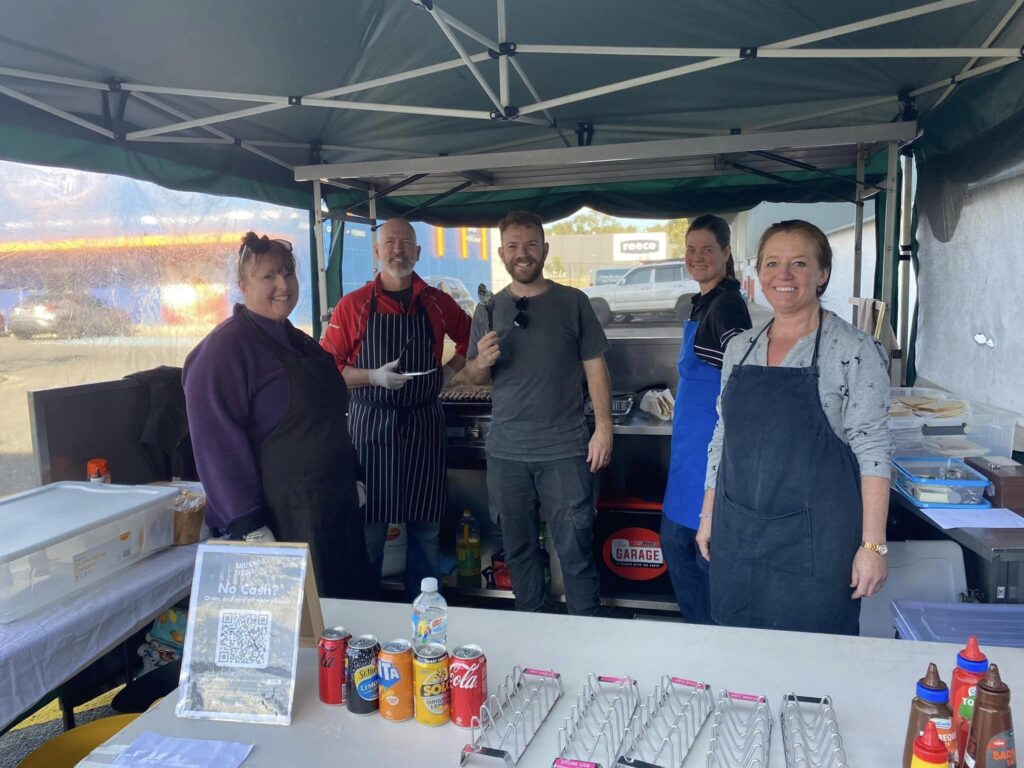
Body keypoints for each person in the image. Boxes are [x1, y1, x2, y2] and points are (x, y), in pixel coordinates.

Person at [696, 219, 891, 636]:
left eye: (799, 264)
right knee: (741, 659)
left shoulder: (853, 349)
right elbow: (722, 439)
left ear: (822, 274)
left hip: (817, 542)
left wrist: (872, 546)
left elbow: (873, 448)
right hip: (739, 532)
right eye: (772, 263)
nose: (782, 276)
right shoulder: (738, 348)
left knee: (814, 663)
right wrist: (708, 516)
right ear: (758, 273)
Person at [183, 232, 371, 598]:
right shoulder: (223, 351)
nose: (282, 285)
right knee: (304, 632)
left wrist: (355, 476)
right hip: (282, 522)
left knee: (348, 618)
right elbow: (216, 447)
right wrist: (248, 523)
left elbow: (330, 419)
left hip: (333, 507)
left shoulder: (300, 341)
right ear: (242, 285)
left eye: (288, 273)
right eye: (268, 276)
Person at [465, 210, 613, 617]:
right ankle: (532, 631)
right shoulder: (488, 308)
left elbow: (595, 366)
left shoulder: (572, 302)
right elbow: (474, 377)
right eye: (513, 246)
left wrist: (603, 428)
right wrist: (480, 361)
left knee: (576, 550)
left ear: (545, 249)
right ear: (501, 253)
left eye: (531, 244)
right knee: (519, 552)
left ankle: (586, 633)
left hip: (565, 450)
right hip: (507, 453)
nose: (523, 253)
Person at [322, 218, 471, 597]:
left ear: (418, 253)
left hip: (424, 424)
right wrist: (372, 377)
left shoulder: (438, 303)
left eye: (406, 243)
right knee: (369, 533)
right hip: (371, 429)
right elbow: (325, 370)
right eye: (389, 242)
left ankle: (425, 625)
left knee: (426, 533)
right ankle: (366, 617)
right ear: (376, 251)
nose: (397, 250)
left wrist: (449, 373)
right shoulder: (352, 306)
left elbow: (473, 336)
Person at [661, 214, 751, 625]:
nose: (697, 257)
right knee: (681, 549)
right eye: (691, 249)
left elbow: (739, 385)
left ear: (726, 253)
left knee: (700, 560)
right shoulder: (706, 299)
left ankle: (712, 645)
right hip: (688, 460)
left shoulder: (727, 307)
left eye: (707, 250)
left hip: (708, 460)